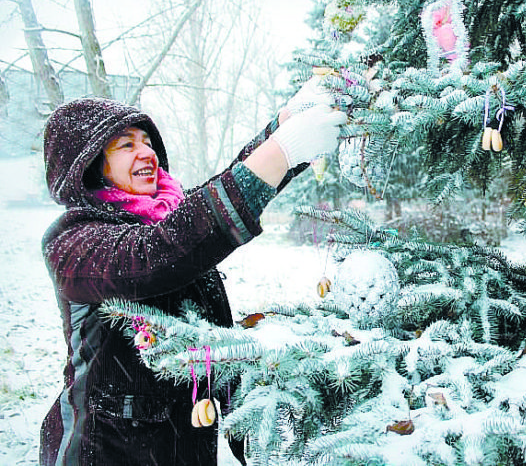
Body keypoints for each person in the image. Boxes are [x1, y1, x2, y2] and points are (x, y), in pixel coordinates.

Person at [39, 78, 346, 466]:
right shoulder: (72, 239)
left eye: (148, 141)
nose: (147, 152)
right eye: (126, 144)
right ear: (88, 164)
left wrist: (284, 124)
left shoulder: (167, 216)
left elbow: (217, 197)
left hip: (183, 445)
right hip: (106, 451)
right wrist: (279, 152)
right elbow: (159, 255)